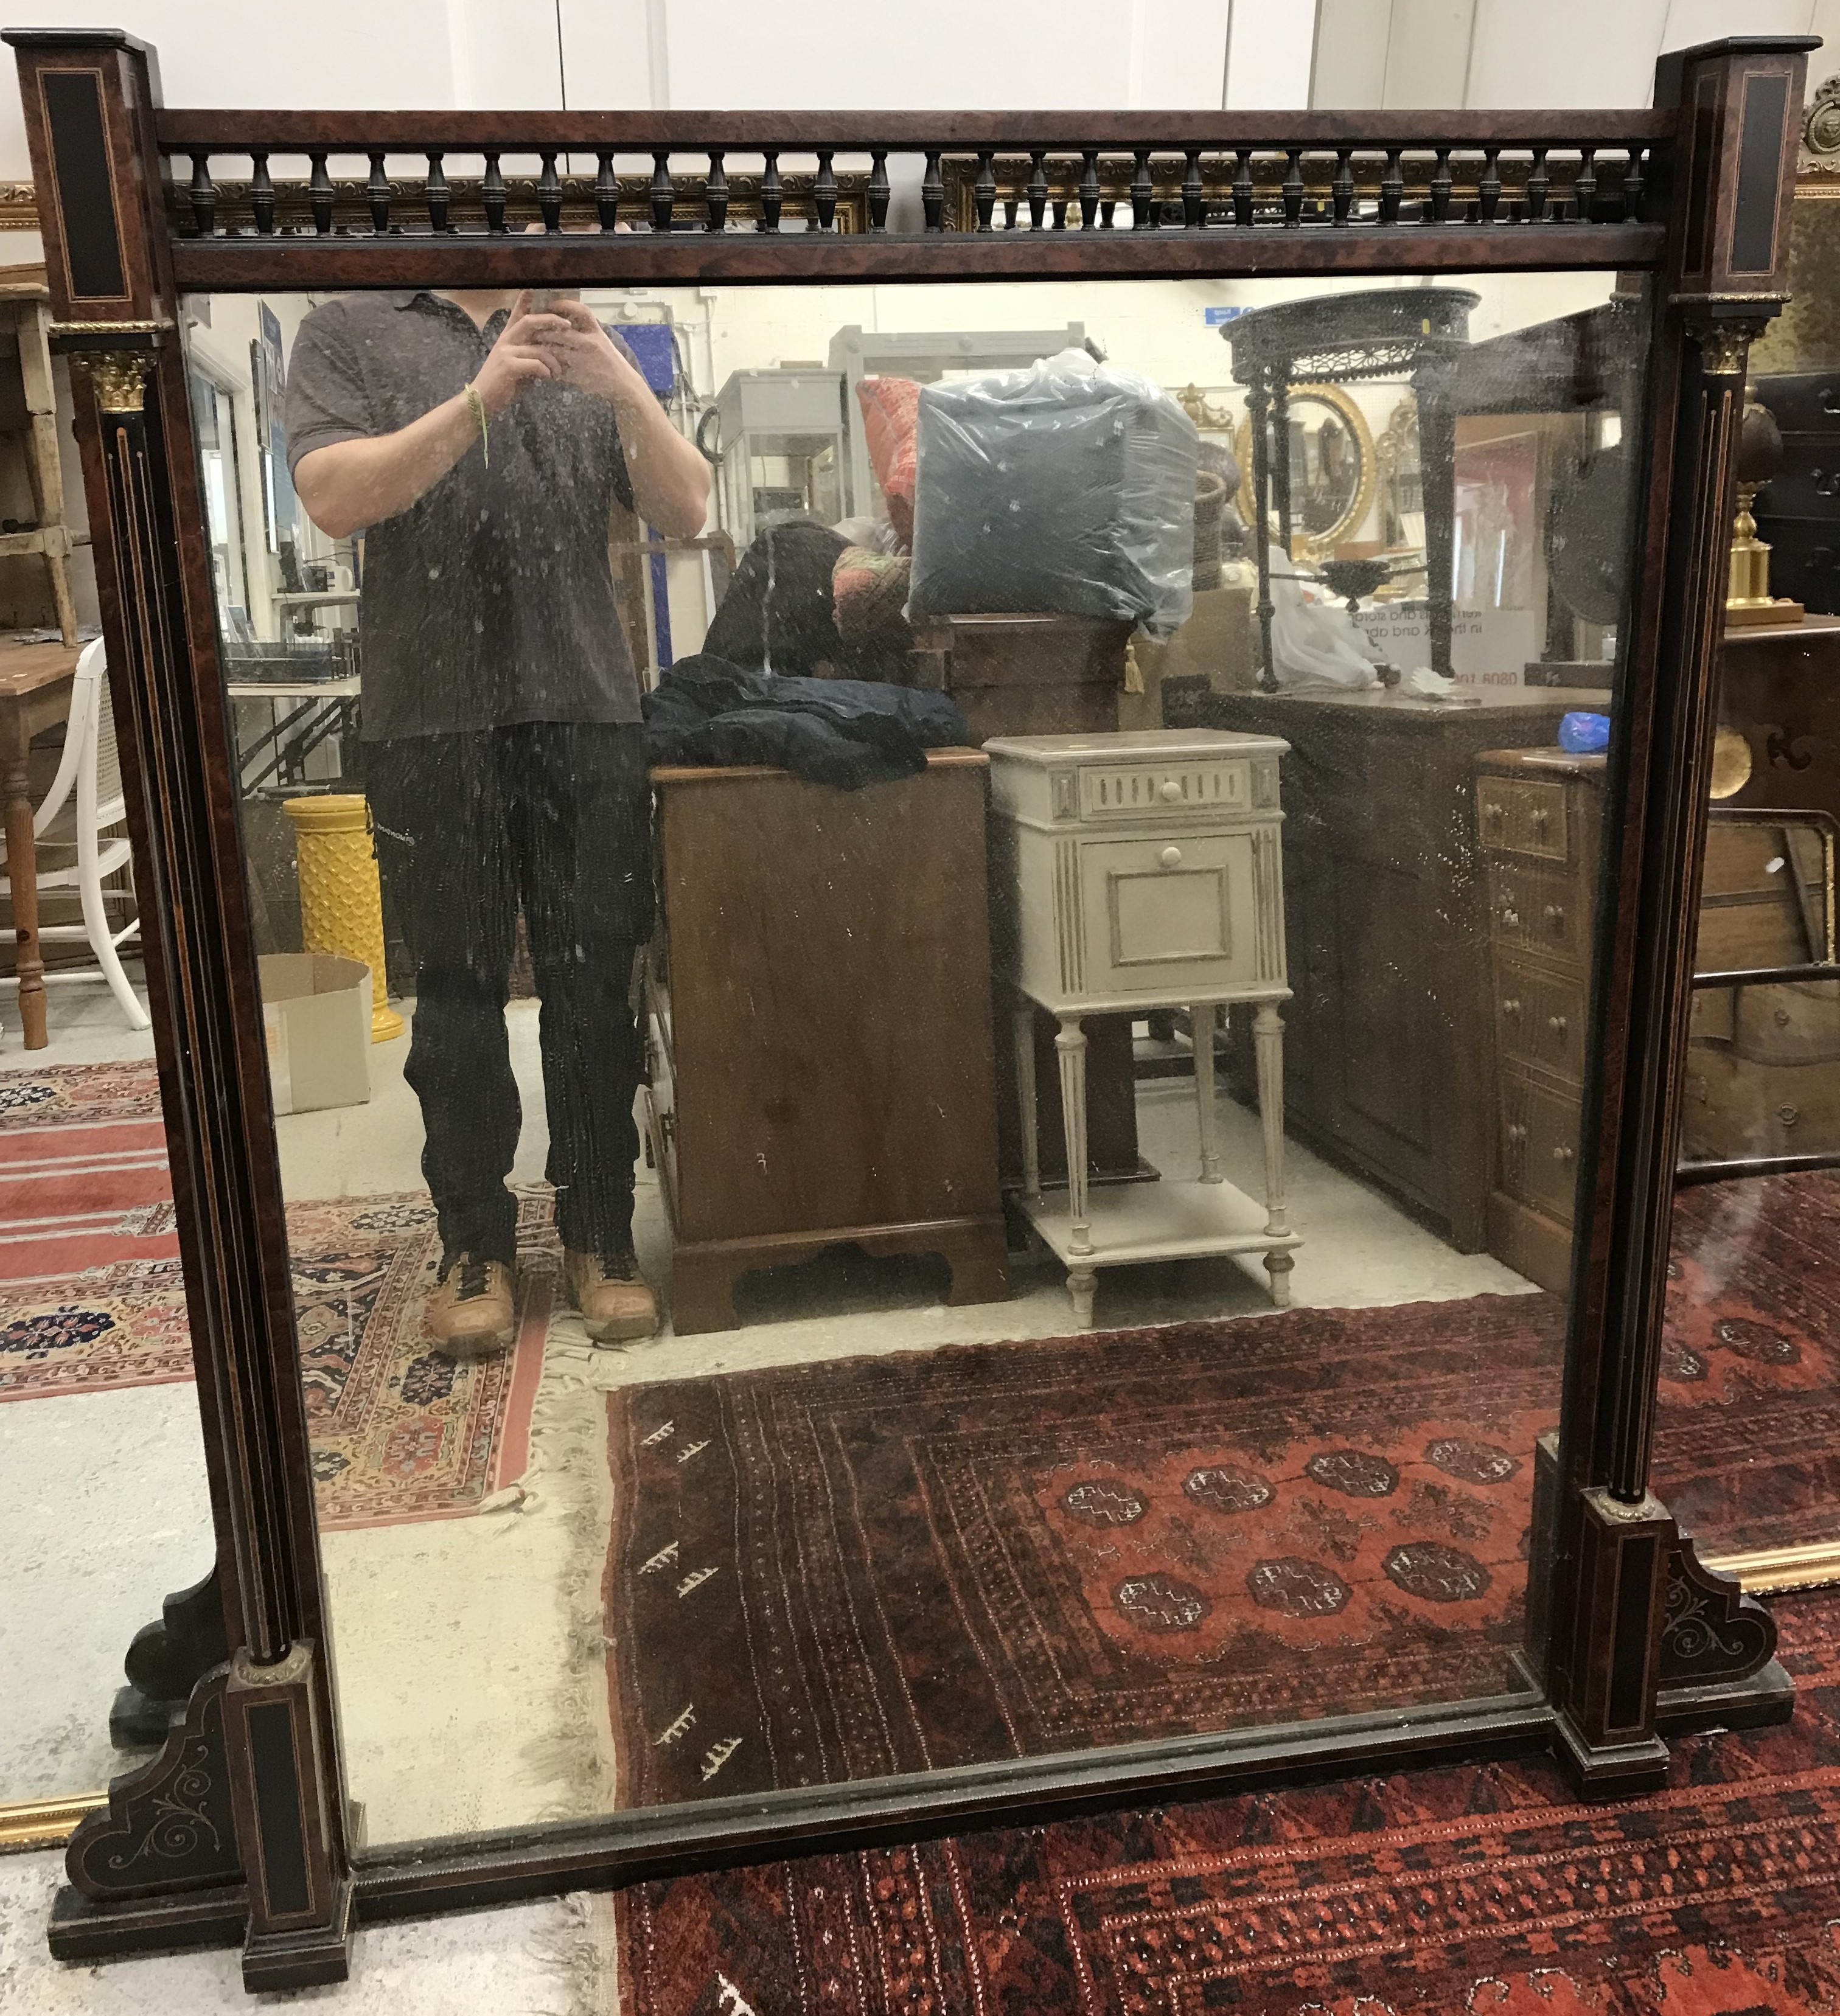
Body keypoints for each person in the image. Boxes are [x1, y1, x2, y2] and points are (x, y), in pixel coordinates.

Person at [286, 288, 709, 1355]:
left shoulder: (583, 329)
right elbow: (333, 499)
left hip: (585, 709)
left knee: (591, 984)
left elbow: (689, 507)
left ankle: (599, 1230)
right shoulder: (350, 328)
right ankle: (474, 1241)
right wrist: (479, 398)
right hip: (430, 719)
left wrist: (618, 384)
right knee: (458, 995)